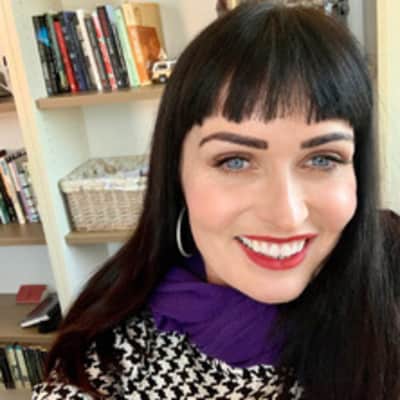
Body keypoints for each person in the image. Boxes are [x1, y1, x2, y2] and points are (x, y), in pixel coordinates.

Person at [33, 3, 400, 400]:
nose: (286, 215)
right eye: (235, 161)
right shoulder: (107, 359)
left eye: (323, 159)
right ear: (176, 173)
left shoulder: (386, 291)